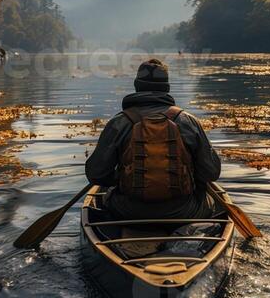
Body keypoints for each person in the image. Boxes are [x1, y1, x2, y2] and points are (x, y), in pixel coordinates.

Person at [85, 58, 221, 221]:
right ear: (167, 89)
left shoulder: (118, 123)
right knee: (212, 202)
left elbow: (96, 174)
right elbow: (211, 173)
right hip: (184, 211)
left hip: (127, 212)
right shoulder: (188, 121)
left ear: (137, 86)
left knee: (106, 198)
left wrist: (122, 176)